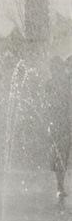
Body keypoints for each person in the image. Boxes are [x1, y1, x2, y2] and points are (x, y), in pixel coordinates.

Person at [45, 55, 72, 202]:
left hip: (65, 124)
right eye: (52, 67)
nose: (53, 70)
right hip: (57, 125)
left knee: (63, 156)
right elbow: (47, 105)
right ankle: (60, 186)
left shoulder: (66, 83)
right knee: (60, 156)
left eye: (55, 67)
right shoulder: (50, 84)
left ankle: (60, 185)